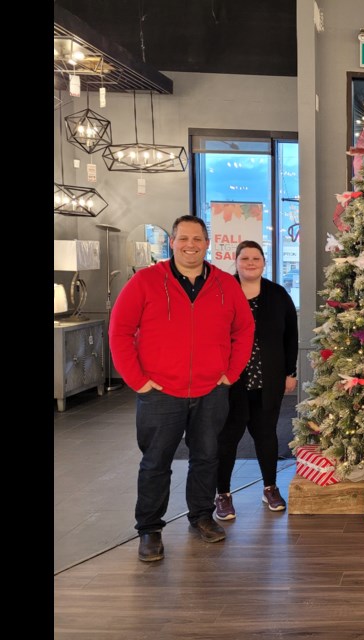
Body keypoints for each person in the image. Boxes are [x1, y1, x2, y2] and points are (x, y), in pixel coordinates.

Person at [110, 215, 254, 562]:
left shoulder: (224, 284)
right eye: (184, 239)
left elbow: (244, 329)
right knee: (156, 462)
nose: (191, 245)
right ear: (172, 242)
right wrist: (138, 381)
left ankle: (202, 516)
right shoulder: (145, 282)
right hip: (160, 392)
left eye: (198, 239)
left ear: (208, 244)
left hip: (210, 391)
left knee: (206, 457)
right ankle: (149, 529)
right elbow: (119, 331)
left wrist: (230, 373)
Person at [215, 241, 299, 521]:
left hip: (268, 381)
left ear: (264, 262)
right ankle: (223, 494)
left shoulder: (277, 294)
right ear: (236, 262)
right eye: (245, 258)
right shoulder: (221, 292)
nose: (251, 263)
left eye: (256, 258)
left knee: (266, 436)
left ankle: (270, 487)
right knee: (227, 439)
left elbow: (291, 335)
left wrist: (290, 372)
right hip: (230, 382)